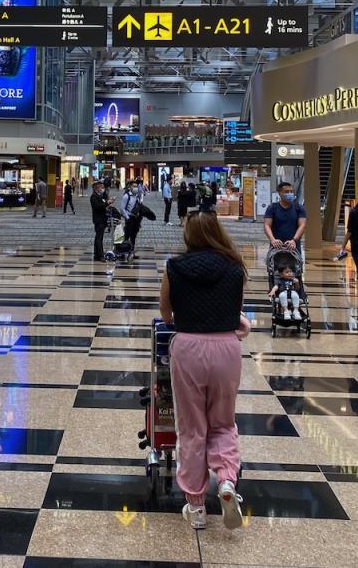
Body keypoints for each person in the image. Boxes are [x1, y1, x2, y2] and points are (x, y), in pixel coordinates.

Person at [159, 211, 247, 531]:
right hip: (226, 348)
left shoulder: (175, 267)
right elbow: (234, 311)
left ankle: (196, 507)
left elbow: (166, 314)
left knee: (193, 427)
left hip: (189, 349)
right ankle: (225, 482)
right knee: (223, 423)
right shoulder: (235, 266)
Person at [264, 182, 307, 260]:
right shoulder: (272, 208)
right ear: (280, 193)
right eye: (287, 192)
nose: (290, 194)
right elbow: (267, 225)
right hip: (276, 246)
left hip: (293, 246)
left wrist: (294, 240)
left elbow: (302, 225)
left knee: (294, 269)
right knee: (276, 269)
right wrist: (272, 239)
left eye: (291, 191)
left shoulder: (299, 208)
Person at [91, 179, 110, 262]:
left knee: (98, 237)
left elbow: (104, 202)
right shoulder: (94, 197)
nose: (103, 189)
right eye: (101, 187)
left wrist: (108, 200)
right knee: (99, 238)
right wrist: (107, 203)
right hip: (98, 220)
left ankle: (96, 254)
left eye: (103, 187)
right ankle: (101, 255)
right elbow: (98, 207)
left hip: (103, 219)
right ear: (96, 188)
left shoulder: (101, 196)